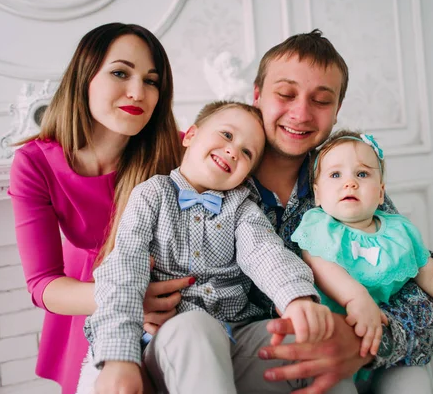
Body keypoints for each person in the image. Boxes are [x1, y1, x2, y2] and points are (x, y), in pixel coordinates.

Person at [248, 29, 433, 394]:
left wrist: (364, 346)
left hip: (353, 363)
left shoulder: (348, 183)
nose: (300, 113)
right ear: (257, 95)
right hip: (265, 364)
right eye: (285, 94)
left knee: (411, 381)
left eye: (321, 101)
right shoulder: (223, 184)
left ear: (336, 113)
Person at [85, 100, 357, 394]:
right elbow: (125, 268)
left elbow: (265, 252)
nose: (232, 151)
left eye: (246, 152)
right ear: (190, 136)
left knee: (319, 354)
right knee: (194, 327)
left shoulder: (242, 206)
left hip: (235, 336)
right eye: (227, 135)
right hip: (172, 341)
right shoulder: (152, 195)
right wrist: (119, 358)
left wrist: (296, 297)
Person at [8, 23, 189, 394]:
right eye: (120, 73)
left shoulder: (182, 149)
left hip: (169, 306)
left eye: (151, 81)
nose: (137, 92)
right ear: (83, 78)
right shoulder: (34, 162)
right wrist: (125, 298)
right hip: (88, 295)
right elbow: (42, 284)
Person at [291, 130, 433, 382]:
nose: (350, 183)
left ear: (381, 192)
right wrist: (356, 298)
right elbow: (320, 264)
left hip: (380, 343)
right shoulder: (319, 225)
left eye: (362, 174)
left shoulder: (399, 232)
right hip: (330, 339)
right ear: (317, 194)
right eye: (335, 175)